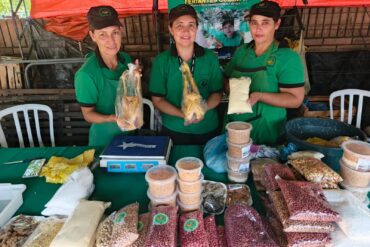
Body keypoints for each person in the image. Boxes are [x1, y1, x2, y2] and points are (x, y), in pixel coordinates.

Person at [224, 0, 305, 146]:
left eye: (265, 23)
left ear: (277, 24)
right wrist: (231, 88)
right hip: (235, 128)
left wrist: (259, 96)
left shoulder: (287, 57)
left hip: (267, 133)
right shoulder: (242, 51)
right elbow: (226, 78)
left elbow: (295, 100)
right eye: (254, 22)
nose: (258, 29)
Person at [149, 4, 223, 145]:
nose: (186, 31)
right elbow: (158, 100)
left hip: (208, 128)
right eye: (179, 26)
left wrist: (202, 109)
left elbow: (217, 94)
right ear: (170, 29)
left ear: (196, 28)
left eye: (191, 25)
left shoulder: (210, 58)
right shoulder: (161, 61)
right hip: (175, 129)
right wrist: (184, 114)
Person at [75, 5, 135, 146]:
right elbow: (88, 114)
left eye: (115, 32)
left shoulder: (126, 60)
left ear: (121, 31)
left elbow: (131, 95)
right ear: (92, 35)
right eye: (103, 34)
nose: (111, 41)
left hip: (131, 135)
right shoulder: (86, 75)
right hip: (104, 142)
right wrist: (112, 118)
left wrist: (136, 77)